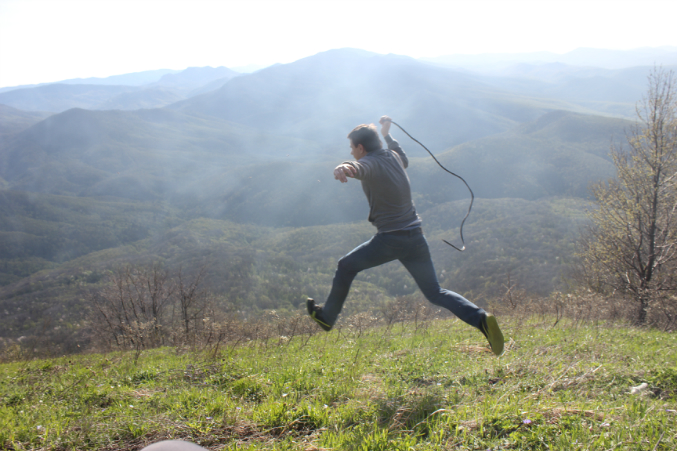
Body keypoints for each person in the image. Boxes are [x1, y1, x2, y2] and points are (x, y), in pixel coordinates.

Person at [307, 116, 504, 356]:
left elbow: (358, 167)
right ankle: (481, 318)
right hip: (416, 237)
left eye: (352, 148)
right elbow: (402, 156)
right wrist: (387, 134)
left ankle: (327, 317)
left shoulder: (369, 162)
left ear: (360, 148)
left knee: (345, 266)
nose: (351, 152)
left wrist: (344, 167)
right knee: (435, 292)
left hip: (391, 239)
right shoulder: (393, 157)